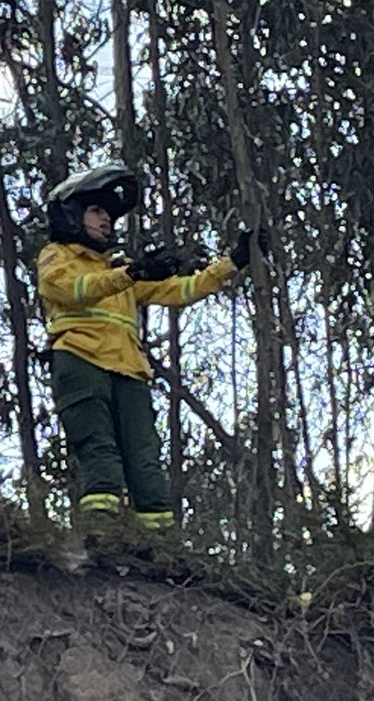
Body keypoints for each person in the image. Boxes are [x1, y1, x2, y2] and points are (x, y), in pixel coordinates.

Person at [36, 164, 268, 535]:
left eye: (109, 214)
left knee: (146, 465)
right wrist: (131, 274)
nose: (106, 220)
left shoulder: (121, 269)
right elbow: (65, 288)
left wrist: (233, 263)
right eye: (97, 211)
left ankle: (160, 549)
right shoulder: (57, 256)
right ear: (72, 213)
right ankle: (100, 538)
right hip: (79, 361)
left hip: (129, 371)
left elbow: (181, 290)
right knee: (100, 455)